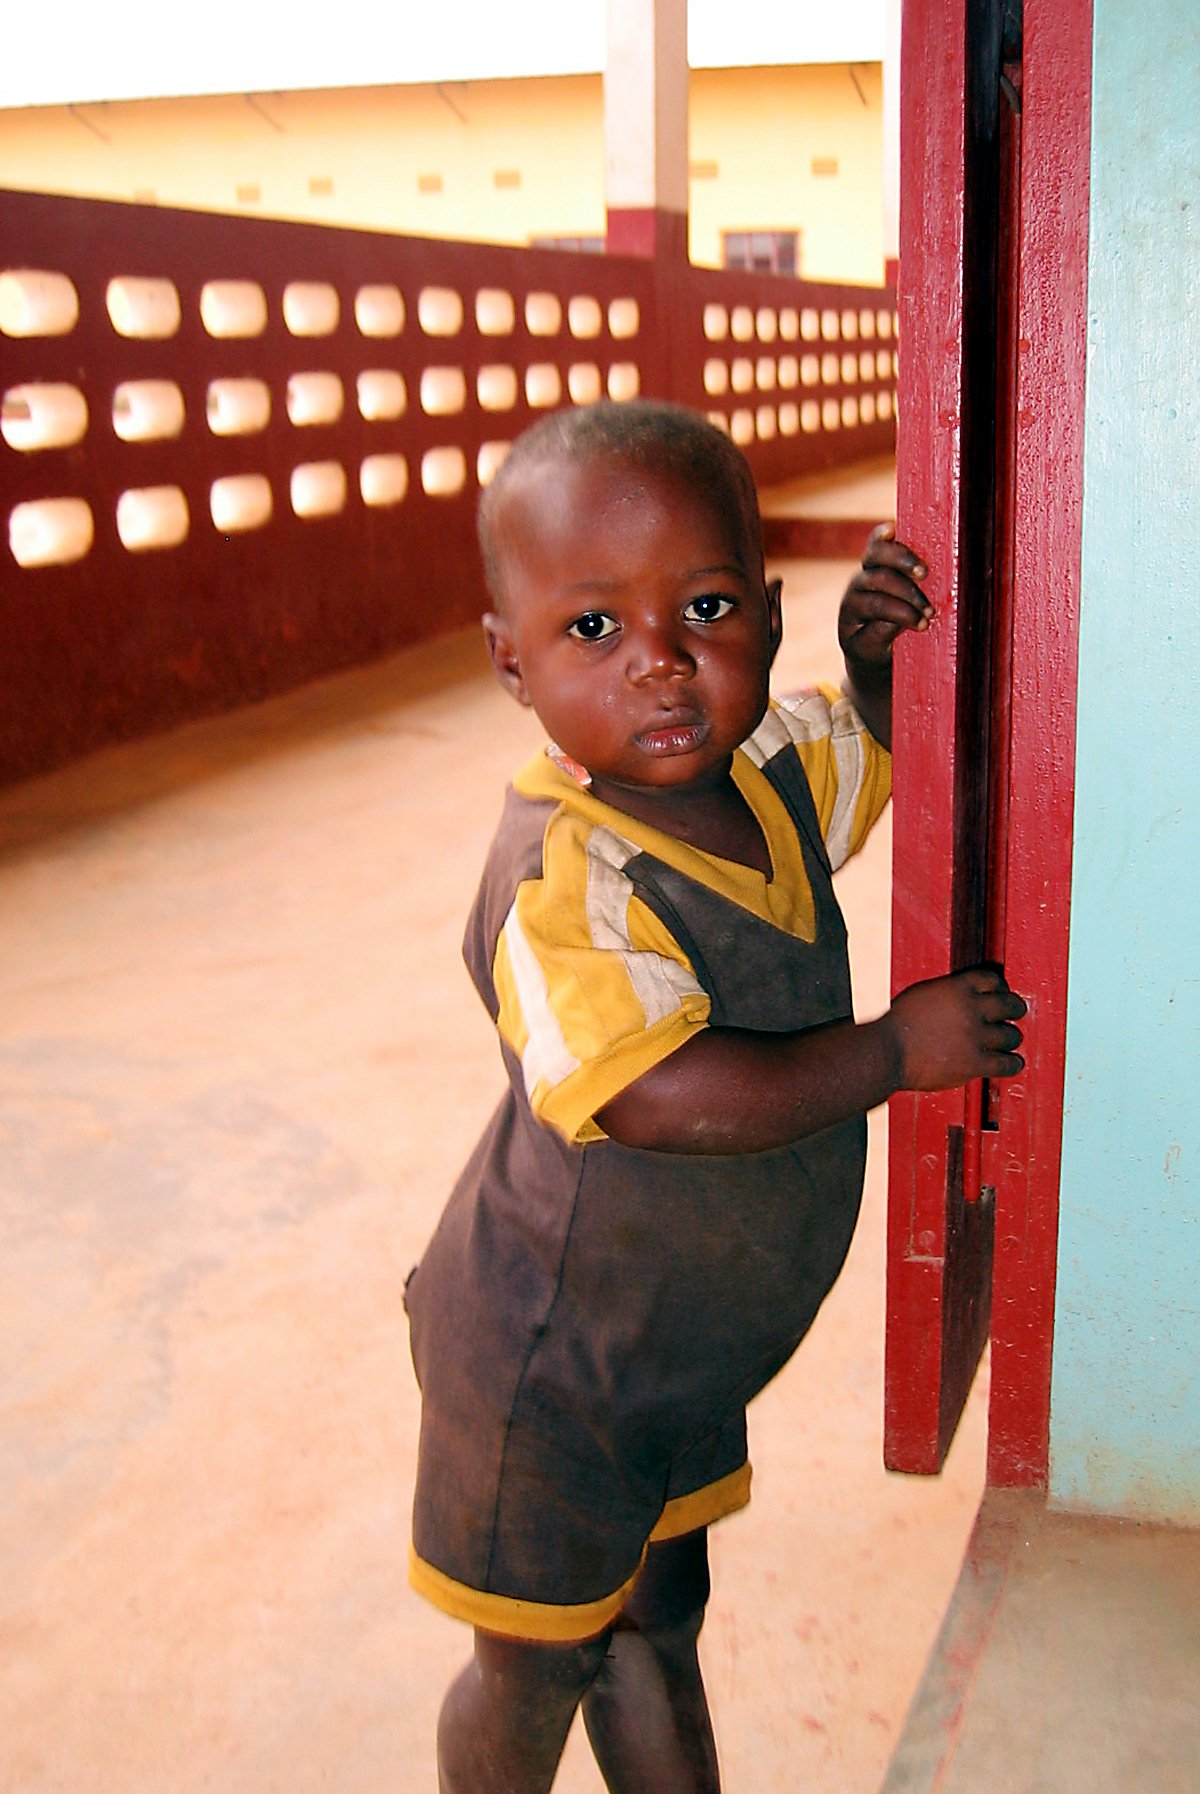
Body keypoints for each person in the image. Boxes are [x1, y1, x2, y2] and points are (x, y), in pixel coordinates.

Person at [404, 399, 1025, 1794]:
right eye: (592, 631)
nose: (664, 663)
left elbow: (875, 751)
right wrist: (891, 1053)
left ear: (770, 609)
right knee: (537, 1663)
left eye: (704, 604)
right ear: (508, 663)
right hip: (552, 1369)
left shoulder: (772, 769)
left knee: (654, 1624)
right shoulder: (563, 878)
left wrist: (878, 671)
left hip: (674, 1358)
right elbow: (659, 1096)